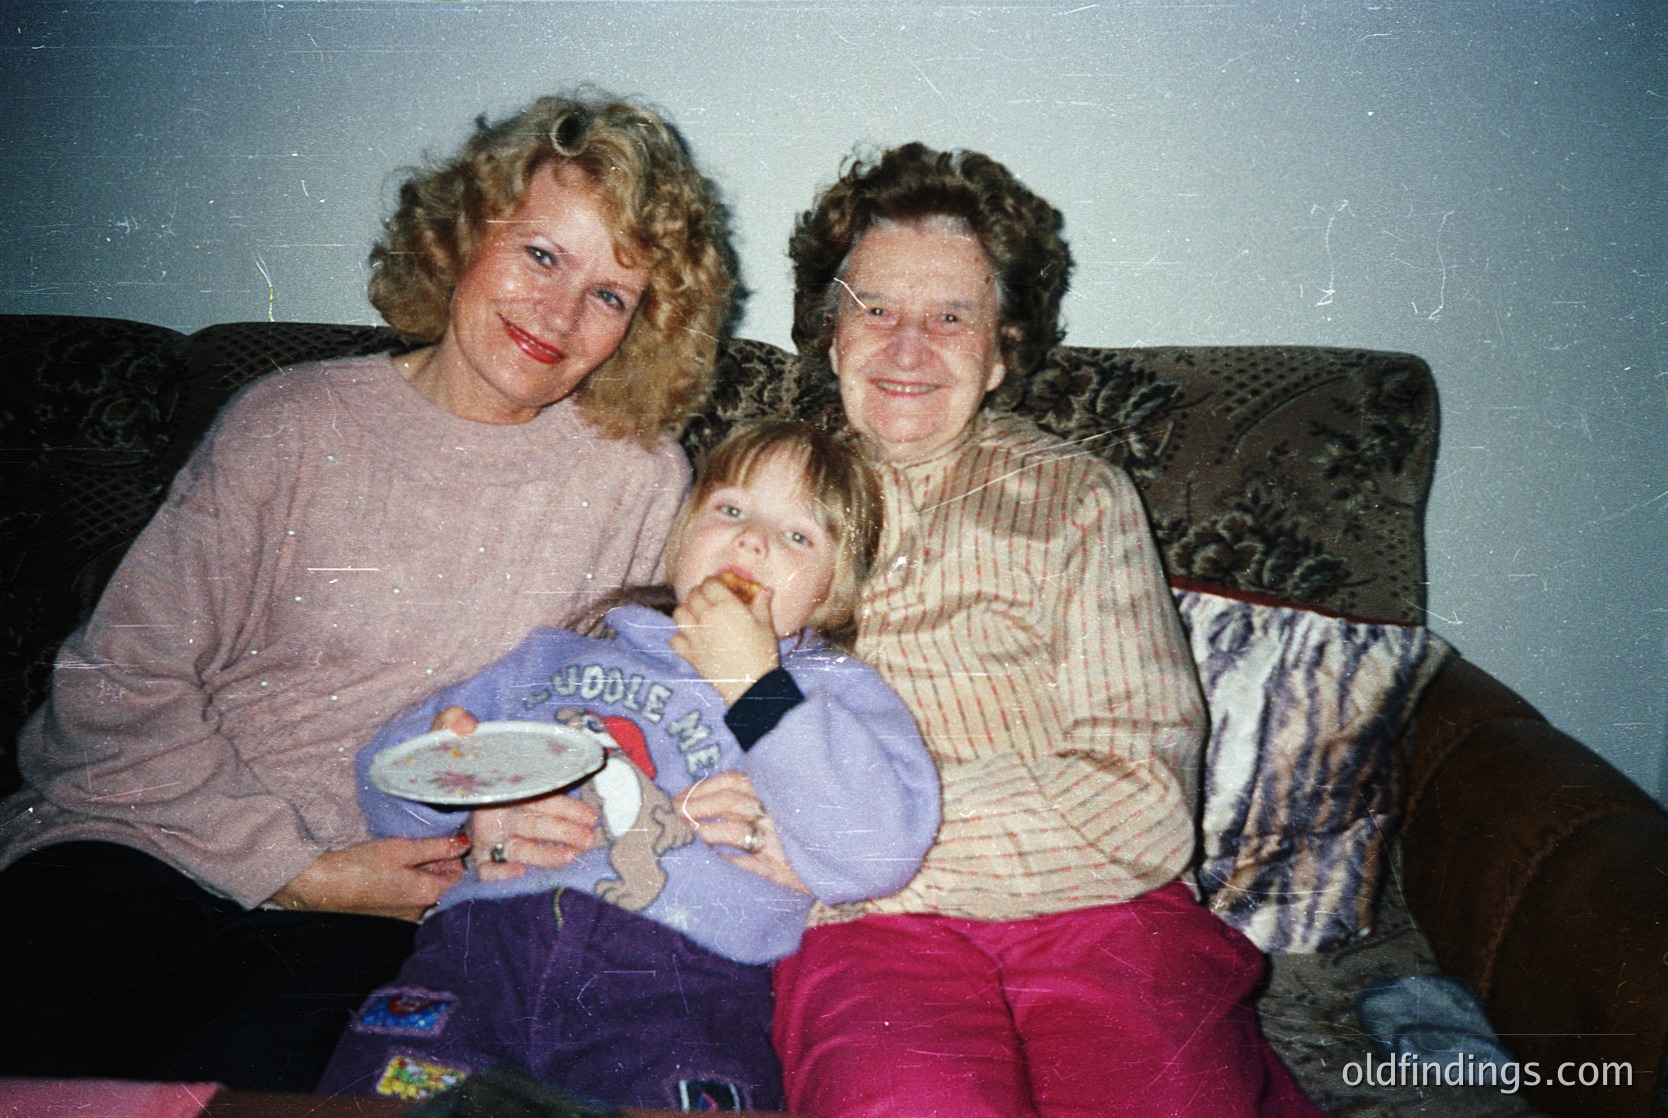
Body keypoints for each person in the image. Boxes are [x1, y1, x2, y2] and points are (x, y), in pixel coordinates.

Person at [0, 92, 735, 1091]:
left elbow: (624, 720)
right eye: (542, 254)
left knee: (241, 1079)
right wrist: (292, 867)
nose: (560, 313)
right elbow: (110, 686)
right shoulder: (290, 423)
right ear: (464, 234)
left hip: (391, 896)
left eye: (611, 293)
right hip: (149, 835)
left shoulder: (640, 481)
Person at [763, 143, 1323, 1117]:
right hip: (866, 934)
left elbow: (1141, 798)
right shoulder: (757, 500)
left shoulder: (1077, 498)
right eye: (876, 309)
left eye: (951, 316)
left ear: (1003, 347)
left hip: (1098, 913)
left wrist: (859, 839)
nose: (906, 347)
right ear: (831, 330)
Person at [317, 421, 939, 1112]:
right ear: (682, 538)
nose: (751, 540)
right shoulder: (554, 657)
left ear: (833, 593)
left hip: (686, 991)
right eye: (730, 510)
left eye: (798, 536)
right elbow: (389, 785)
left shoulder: (834, 692)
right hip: (478, 961)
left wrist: (752, 683)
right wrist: (461, 791)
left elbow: (879, 852)